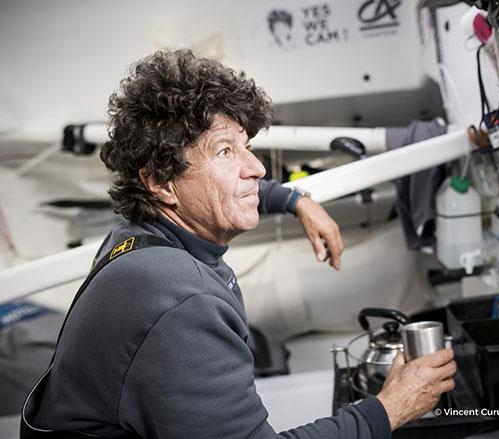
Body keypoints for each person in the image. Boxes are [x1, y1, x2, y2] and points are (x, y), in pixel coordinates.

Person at [21, 50, 456, 439]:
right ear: (160, 181)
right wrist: (390, 408)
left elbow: (231, 193)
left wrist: (295, 200)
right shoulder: (179, 302)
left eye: (247, 146)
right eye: (225, 152)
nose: (256, 168)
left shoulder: (135, 236)